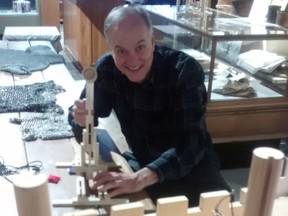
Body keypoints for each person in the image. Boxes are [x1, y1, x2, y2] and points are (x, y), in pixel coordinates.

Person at [68, 5, 231, 207]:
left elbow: (192, 142)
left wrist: (140, 179)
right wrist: (80, 118)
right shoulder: (107, 68)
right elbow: (84, 114)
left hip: (192, 166)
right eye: (121, 51)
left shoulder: (184, 71)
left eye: (140, 47)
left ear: (153, 41)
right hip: (142, 160)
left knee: (222, 209)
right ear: (111, 50)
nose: (133, 59)